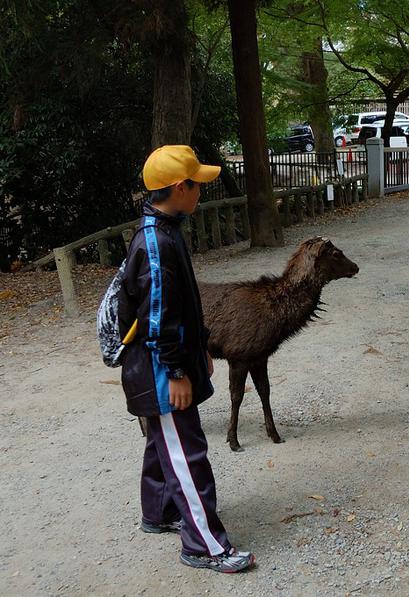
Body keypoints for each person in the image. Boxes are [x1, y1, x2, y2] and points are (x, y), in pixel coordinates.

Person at [119, 145, 255, 573]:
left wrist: (198, 351)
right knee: (187, 452)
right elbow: (157, 316)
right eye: (198, 185)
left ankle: (159, 512)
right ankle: (206, 546)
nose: (202, 192)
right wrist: (177, 370)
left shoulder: (165, 228)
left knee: (165, 442)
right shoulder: (156, 242)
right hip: (161, 370)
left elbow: (182, 307)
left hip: (167, 362)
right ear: (180, 187)